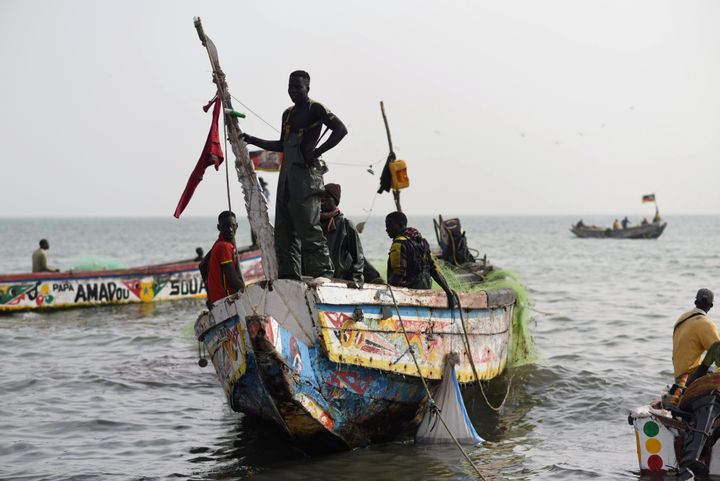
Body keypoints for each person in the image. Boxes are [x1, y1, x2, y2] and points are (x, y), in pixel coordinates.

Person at [242, 70, 348, 280]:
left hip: (306, 176)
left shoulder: (316, 109)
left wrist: (317, 152)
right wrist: (252, 139)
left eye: (298, 87)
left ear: (307, 88)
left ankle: (323, 275)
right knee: (284, 229)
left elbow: (341, 130)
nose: (293, 91)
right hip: (287, 175)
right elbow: (281, 144)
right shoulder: (287, 114)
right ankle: (290, 277)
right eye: (290, 87)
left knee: (308, 227)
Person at [671, 289, 720, 478]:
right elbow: (717, 351)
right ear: (711, 305)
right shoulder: (704, 324)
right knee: (713, 396)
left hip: (680, 377)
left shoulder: (683, 318)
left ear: (695, 301)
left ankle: (698, 452)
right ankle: (695, 456)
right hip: (693, 378)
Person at [385, 212, 456, 308]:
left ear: (400, 225)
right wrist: (449, 293)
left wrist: (387, 298)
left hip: (406, 296)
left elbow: (399, 274)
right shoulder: (423, 243)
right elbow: (434, 271)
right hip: (425, 292)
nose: (386, 229)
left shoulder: (399, 244)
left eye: (389, 225)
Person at [318, 183, 365, 283]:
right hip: (317, 279)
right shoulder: (313, 223)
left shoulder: (346, 225)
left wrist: (355, 281)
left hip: (338, 280)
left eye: (327, 197)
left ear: (335, 200)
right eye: (321, 196)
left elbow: (358, 258)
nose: (322, 199)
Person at [199, 211, 246, 306]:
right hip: (225, 301)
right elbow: (233, 281)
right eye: (225, 226)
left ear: (236, 226)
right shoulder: (224, 246)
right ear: (219, 227)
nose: (230, 229)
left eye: (232, 225)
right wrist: (248, 294)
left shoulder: (218, 244)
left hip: (216, 301)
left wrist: (210, 298)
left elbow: (202, 265)